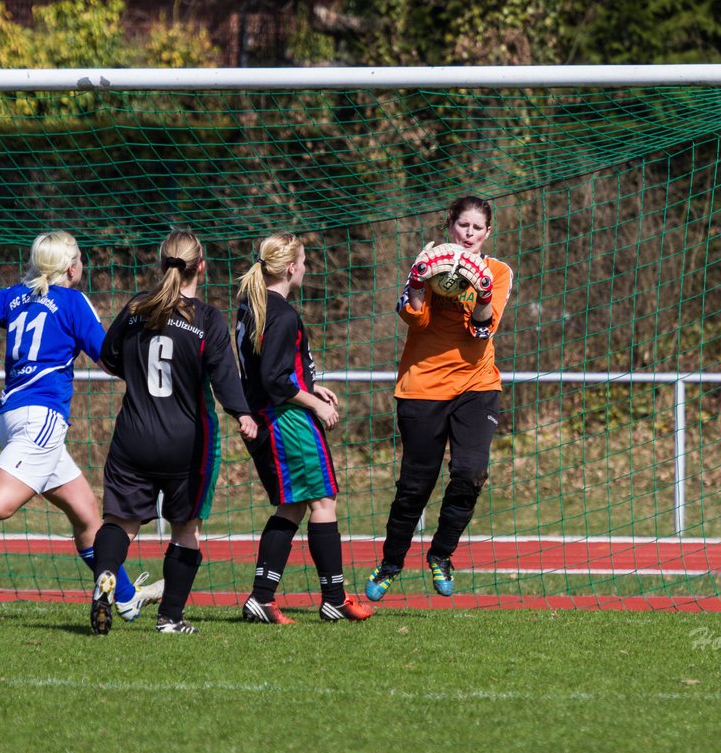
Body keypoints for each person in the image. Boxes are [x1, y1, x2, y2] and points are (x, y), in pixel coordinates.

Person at [0, 231, 161, 622]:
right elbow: (108, 359)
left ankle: (125, 596)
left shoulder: (13, 296)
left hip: (11, 415)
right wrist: (152, 375)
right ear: (72, 267)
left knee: (87, 514)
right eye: (81, 261)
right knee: (1, 502)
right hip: (42, 417)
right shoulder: (73, 301)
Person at [87, 229, 257, 635]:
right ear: (201, 266)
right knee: (187, 529)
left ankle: (106, 576)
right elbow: (225, 378)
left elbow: (108, 358)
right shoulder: (208, 319)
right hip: (187, 443)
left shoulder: (134, 309)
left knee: (120, 522)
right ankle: (170, 618)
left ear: (161, 263)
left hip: (133, 437)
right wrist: (243, 415)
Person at [364, 196, 514, 601]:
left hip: (476, 386)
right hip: (422, 387)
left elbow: (482, 331)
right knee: (416, 484)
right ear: (450, 226)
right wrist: (417, 283)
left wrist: (481, 292)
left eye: (477, 228)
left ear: (487, 233)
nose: (468, 234)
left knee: (470, 472)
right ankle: (391, 562)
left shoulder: (498, 271)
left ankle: (442, 555)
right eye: (462, 226)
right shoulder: (428, 260)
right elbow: (415, 317)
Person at [236, 233, 374, 623]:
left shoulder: (252, 308)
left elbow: (273, 372)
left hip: (272, 416)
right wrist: (312, 403)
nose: (307, 268)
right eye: (305, 262)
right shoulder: (281, 313)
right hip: (288, 420)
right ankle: (334, 597)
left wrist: (310, 385)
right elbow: (276, 379)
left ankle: (261, 597)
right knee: (323, 501)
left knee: (294, 505)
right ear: (292, 267)